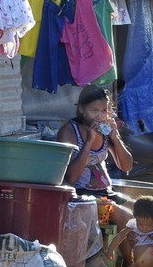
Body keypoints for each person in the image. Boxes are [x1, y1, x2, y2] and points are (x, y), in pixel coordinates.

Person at [58, 85, 135, 227]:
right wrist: (88, 142)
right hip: (80, 194)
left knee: (138, 209)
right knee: (122, 215)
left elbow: (127, 167)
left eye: (104, 111)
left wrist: (115, 138)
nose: (99, 116)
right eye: (94, 111)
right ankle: (114, 249)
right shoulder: (69, 131)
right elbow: (70, 178)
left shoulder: (105, 130)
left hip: (105, 191)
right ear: (82, 110)